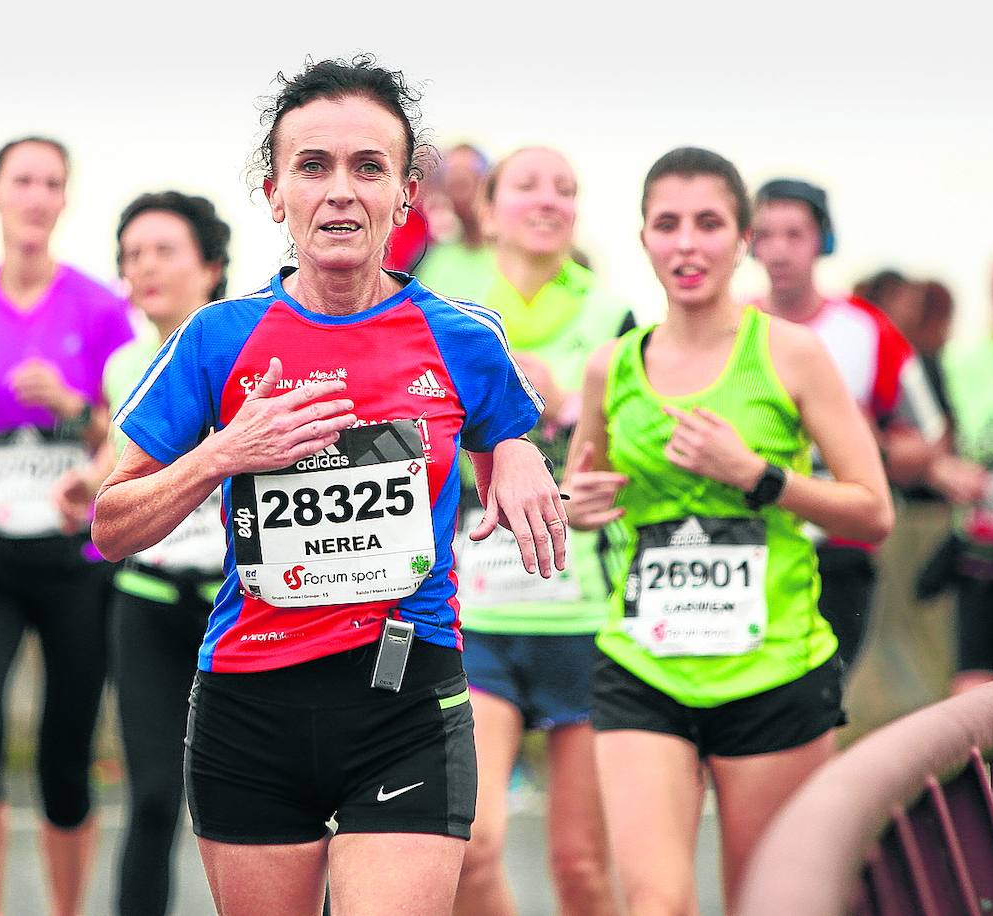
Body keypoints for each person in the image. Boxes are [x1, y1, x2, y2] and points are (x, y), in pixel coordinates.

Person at [91, 56, 564, 916]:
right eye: (313, 167)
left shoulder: (461, 337)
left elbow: (508, 424)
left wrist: (520, 446)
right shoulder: (216, 338)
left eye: (367, 167)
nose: (340, 192)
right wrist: (223, 453)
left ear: (404, 194)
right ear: (275, 194)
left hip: (405, 696)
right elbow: (111, 525)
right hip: (250, 700)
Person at [563, 147, 892, 914]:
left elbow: (875, 510)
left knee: (768, 903)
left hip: (772, 668)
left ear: (742, 237)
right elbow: (584, 491)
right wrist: (575, 504)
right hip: (644, 664)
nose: (687, 244)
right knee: (656, 903)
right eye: (667, 224)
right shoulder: (612, 367)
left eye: (709, 223)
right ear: (642, 238)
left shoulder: (791, 353)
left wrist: (758, 475)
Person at [0, 136, 131, 916]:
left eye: (51, 183)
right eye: (23, 181)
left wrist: (75, 408)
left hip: (75, 557)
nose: (36, 196)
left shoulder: (102, 307)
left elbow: (133, 427)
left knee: (65, 758)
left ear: (64, 199)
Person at [425, 146, 632, 916]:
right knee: (472, 848)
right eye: (528, 186)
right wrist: (499, 410)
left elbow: (634, 453)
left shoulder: (613, 313)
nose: (548, 201)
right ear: (488, 207)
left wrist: (572, 416)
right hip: (481, 613)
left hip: (586, 615)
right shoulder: (447, 305)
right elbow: (413, 438)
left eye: (566, 189)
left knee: (581, 868)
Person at [54, 190, 232, 914]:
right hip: (149, 608)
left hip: (241, 610)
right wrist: (84, 484)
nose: (145, 267)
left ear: (212, 267)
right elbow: (122, 462)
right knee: (153, 799)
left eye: (164, 250)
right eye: (131, 255)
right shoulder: (125, 362)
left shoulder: (248, 346)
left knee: (267, 807)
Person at [751, 178, 941, 673]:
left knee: (822, 702)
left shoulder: (867, 329)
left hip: (840, 548)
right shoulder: (732, 325)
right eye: (765, 234)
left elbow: (928, 444)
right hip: (749, 543)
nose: (779, 250)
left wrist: (865, 444)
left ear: (823, 241)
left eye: (794, 234)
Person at [927, 252, 993, 694]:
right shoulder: (961, 365)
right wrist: (946, 472)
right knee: (972, 695)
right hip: (981, 551)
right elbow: (932, 451)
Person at [414, 143, 492, 295]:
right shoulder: (433, 258)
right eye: (454, 182)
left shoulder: (515, 255)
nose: (461, 193)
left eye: (468, 178)